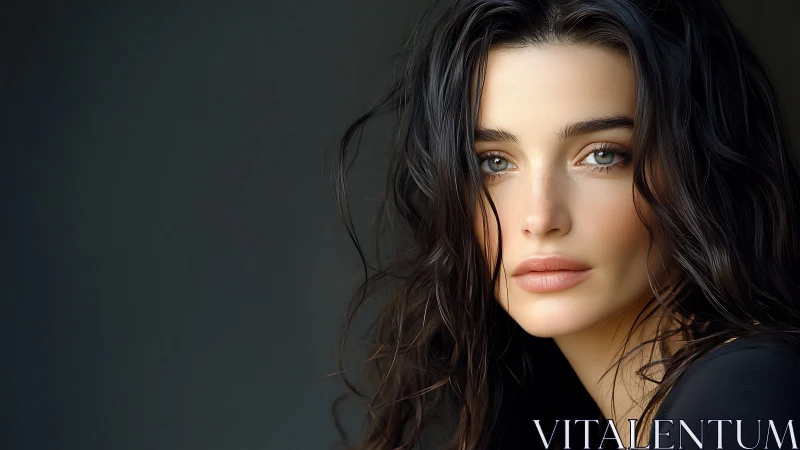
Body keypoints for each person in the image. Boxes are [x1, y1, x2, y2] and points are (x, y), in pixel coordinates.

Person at [327, 0, 800, 448]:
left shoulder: (745, 395)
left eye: (601, 155)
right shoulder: (554, 411)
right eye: (493, 162)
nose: (540, 218)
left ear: (699, 172)